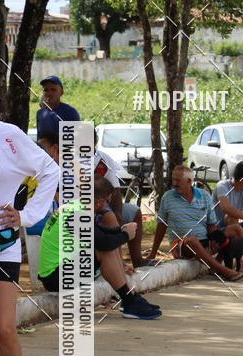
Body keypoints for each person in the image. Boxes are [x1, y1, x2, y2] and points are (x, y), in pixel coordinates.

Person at [0, 84, 59, 356]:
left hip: (0, 244)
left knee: (4, 328)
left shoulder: (10, 137)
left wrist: (27, 215)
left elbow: (50, 171)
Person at [37, 136, 161, 320]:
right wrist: (126, 235)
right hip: (55, 277)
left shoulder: (76, 207)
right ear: (99, 202)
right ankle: (129, 301)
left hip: (59, 270)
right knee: (106, 251)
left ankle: (131, 299)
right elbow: (102, 242)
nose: (107, 206)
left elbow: (102, 234)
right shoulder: (77, 214)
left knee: (107, 247)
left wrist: (121, 231)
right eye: (107, 202)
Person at [148, 165, 243, 281]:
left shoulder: (204, 195)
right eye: (173, 179)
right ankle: (223, 271)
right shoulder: (167, 197)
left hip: (205, 241)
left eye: (178, 180)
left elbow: (211, 224)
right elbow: (161, 225)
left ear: (189, 181)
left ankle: (216, 262)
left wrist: (214, 239)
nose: (174, 183)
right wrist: (153, 252)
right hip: (182, 245)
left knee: (237, 229)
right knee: (192, 240)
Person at [93, 130, 147, 268]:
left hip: (103, 204)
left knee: (133, 211)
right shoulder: (69, 161)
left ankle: (137, 259)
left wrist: (117, 211)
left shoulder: (103, 159)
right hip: (83, 207)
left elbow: (115, 190)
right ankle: (118, 264)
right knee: (110, 217)